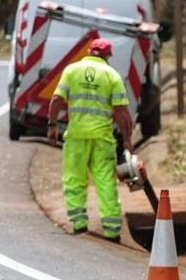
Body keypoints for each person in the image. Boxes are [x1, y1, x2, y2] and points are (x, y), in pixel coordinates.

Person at [48, 38, 133, 241]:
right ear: (108, 56)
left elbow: (57, 100)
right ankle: (112, 231)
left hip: (76, 137)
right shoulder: (112, 75)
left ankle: (79, 224)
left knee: (74, 180)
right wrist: (127, 139)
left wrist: (52, 126)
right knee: (105, 183)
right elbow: (121, 112)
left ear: (88, 51)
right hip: (102, 139)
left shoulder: (71, 71)